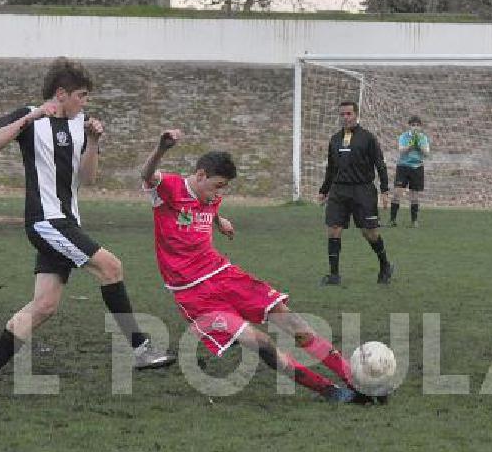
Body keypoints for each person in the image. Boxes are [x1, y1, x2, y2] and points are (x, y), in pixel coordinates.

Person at [0, 57, 176, 412]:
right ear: (60, 93)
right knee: (111, 267)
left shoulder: (79, 126)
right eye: (80, 95)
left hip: (68, 222)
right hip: (46, 222)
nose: (84, 103)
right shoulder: (30, 116)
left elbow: (88, 178)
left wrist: (92, 142)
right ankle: (140, 349)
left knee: (44, 306)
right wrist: (29, 118)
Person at [139, 130, 384, 404]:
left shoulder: (210, 197)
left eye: (224, 188)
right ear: (200, 176)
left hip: (223, 274)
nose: (219, 193)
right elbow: (147, 175)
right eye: (217, 185)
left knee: (290, 319)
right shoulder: (169, 189)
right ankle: (330, 391)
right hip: (193, 293)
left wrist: (219, 221)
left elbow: (206, 206)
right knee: (262, 343)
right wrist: (161, 149)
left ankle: (354, 377)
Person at [316, 101, 394, 286]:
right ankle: (334, 275)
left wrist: (384, 190)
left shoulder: (368, 138)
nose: (345, 117)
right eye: (342, 114)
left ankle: (385, 265)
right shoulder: (334, 139)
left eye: (349, 114)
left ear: (356, 115)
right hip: (339, 190)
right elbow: (331, 168)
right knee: (333, 229)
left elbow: (380, 164)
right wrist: (324, 190)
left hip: (363, 190)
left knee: (369, 232)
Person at [389, 116, 431, 228]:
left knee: (414, 195)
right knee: (397, 193)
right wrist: (410, 145)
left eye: (417, 125)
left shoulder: (423, 138)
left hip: (417, 167)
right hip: (403, 167)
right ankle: (392, 220)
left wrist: (419, 146)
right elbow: (401, 151)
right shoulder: (404, 136)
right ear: (409, 126)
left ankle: (414, 221)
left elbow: (427, 153)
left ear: (420, 127)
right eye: (413, 125)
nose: (415, 127)